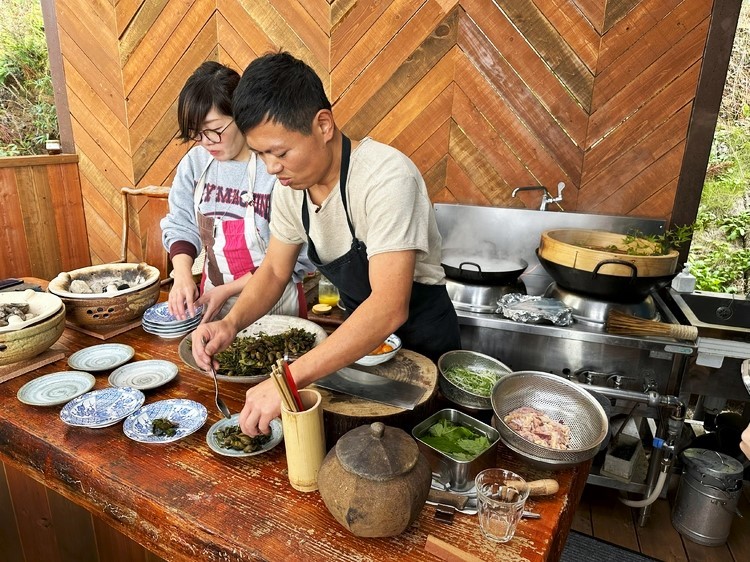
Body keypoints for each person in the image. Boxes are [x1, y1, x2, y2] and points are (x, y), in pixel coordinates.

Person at [192, 52, 461, 436]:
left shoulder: (386, 178)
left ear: (323, 125)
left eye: (280, 152)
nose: (271, 168)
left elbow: (388, 307)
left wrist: (287, 379)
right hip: (357, 347)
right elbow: (273, 271)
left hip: (422, 348)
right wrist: (230, 324)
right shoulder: (292, 190)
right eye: (261, 154)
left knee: (420, 453)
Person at [160, 61, 313, 322]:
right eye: (197, 134)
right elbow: (181, 224)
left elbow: (297, 255)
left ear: (240, 117)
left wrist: (228, 291)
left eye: (215, 130)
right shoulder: (195, 164)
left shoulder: (276, 167)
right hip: (210, 303)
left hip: (276, 306)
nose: (206, 142)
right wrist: (183, 275)